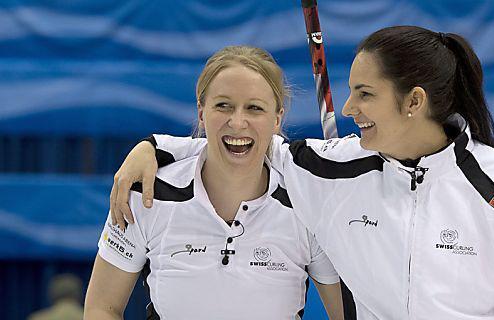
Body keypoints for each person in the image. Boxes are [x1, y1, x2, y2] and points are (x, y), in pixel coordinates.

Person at [110, 27, 494, 319]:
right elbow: (240, 139)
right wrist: (153, 146)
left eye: (364, 94)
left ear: (414, 101)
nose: (351, 107)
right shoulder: (331, 171)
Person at [85, 46, 344, 320]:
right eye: (223, 105)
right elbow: (102, 308)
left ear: (277, 119)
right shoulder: (147, 193)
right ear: (201, 112)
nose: (238, 121)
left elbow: (348, 314)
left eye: (254, 108)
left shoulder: (307, 206)